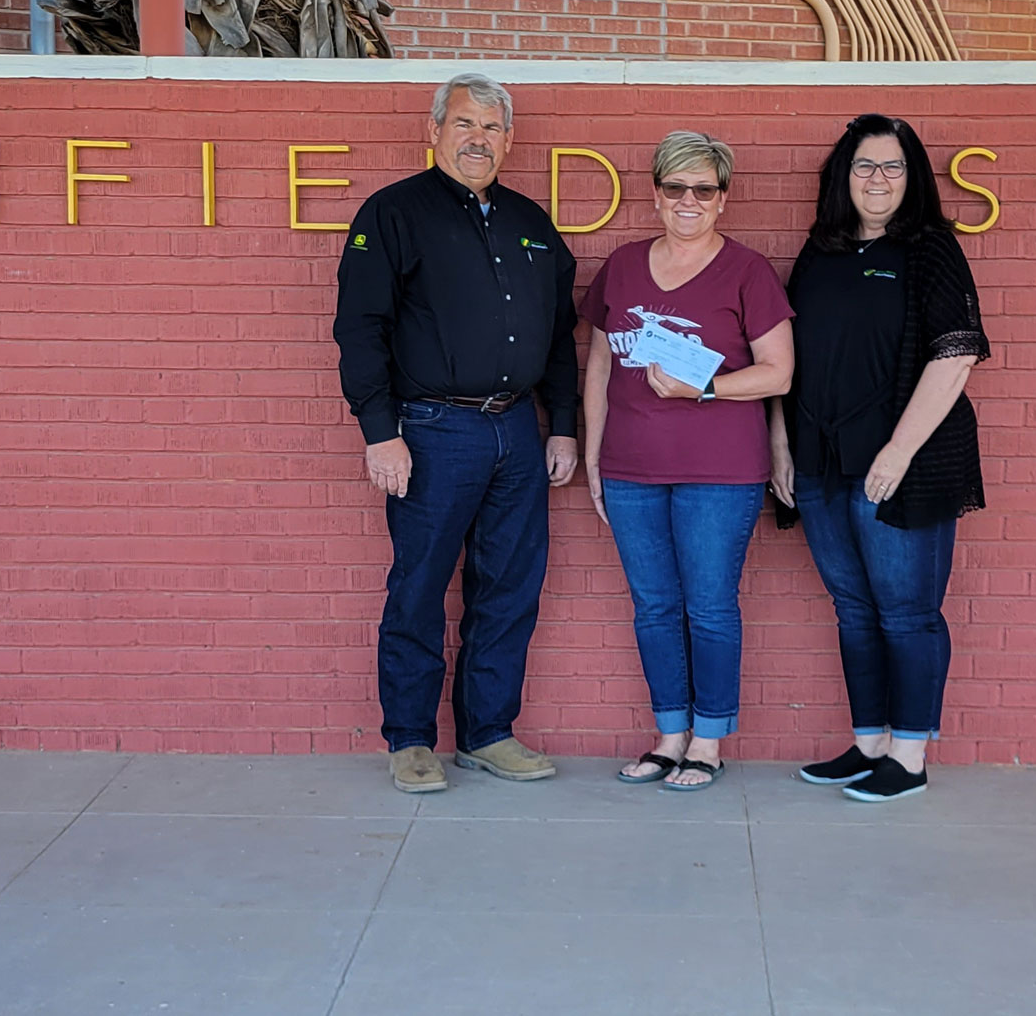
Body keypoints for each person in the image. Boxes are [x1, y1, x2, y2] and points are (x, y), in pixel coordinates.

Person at [333, 73, 580, 794]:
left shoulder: (531, 222)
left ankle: (488, 733)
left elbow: (561, 338)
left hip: (518, 437)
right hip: (434, 431)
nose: (480, 138)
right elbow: (360, 330)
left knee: (509, 588)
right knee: (420, 587)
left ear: (510, 139)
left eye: (494, 127)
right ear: (434, 130)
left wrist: (561, 427)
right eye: (466, 124)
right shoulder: (392, 214)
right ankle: (410, 740)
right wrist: (381, 433)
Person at [770, 114, 989, 802]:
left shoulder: (928, 249)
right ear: (843, 175)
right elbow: (784, 355)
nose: (878, 179)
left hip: (899, 466)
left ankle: (910, 754)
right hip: (819, 463)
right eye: (865, 165)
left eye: (893, 166)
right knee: (854, 611)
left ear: (913, 176)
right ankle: (869, 745)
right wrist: (780, 444)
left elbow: (957, 353)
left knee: (907, 614)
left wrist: (899, 449)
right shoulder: (820, 249)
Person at [581, 131, 794, 790]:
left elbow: (779, 374)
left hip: (720, 471)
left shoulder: (748, 272)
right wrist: (593, 456)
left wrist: (704, 386)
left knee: (707, 607)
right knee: (652, 608)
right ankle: (669, 733)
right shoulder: (620, 266)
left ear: (723, 199)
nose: (689, 200)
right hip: (630, 467)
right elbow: (596, 365)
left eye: (704, 188)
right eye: (675, 187)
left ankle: (708, 740)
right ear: (655, 194)